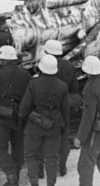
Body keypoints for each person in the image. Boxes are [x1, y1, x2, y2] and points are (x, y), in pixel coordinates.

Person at [0, 45, 32, 186]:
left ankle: (11, 175)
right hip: (20, 116)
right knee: (18, 148)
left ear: (3, 59)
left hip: (3, 116)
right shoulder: (25, 74)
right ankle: (15, 176)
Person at [18, 54, 70, 186]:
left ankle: (34, 182)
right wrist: (64, 127)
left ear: (41, 68)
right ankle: (51, 183)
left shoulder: (33, 83)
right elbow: (65, 110)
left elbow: (25, 106)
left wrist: (21, 118)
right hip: (55, 124)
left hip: (35, 123)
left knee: (31, 154)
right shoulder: (62, 86)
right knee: (52, 157)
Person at [75, 56, 100, 186]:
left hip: (95, 128)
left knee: (86, 162)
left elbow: (88, 116)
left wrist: (80, 137)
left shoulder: (90, 88)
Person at [43, 39, 79, 176]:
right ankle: (62, 166)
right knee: (63, 137)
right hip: (65, 107)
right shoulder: (69, 67)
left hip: (47, 109)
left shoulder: (45, 66)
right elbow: (74, 90)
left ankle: (49, 168)